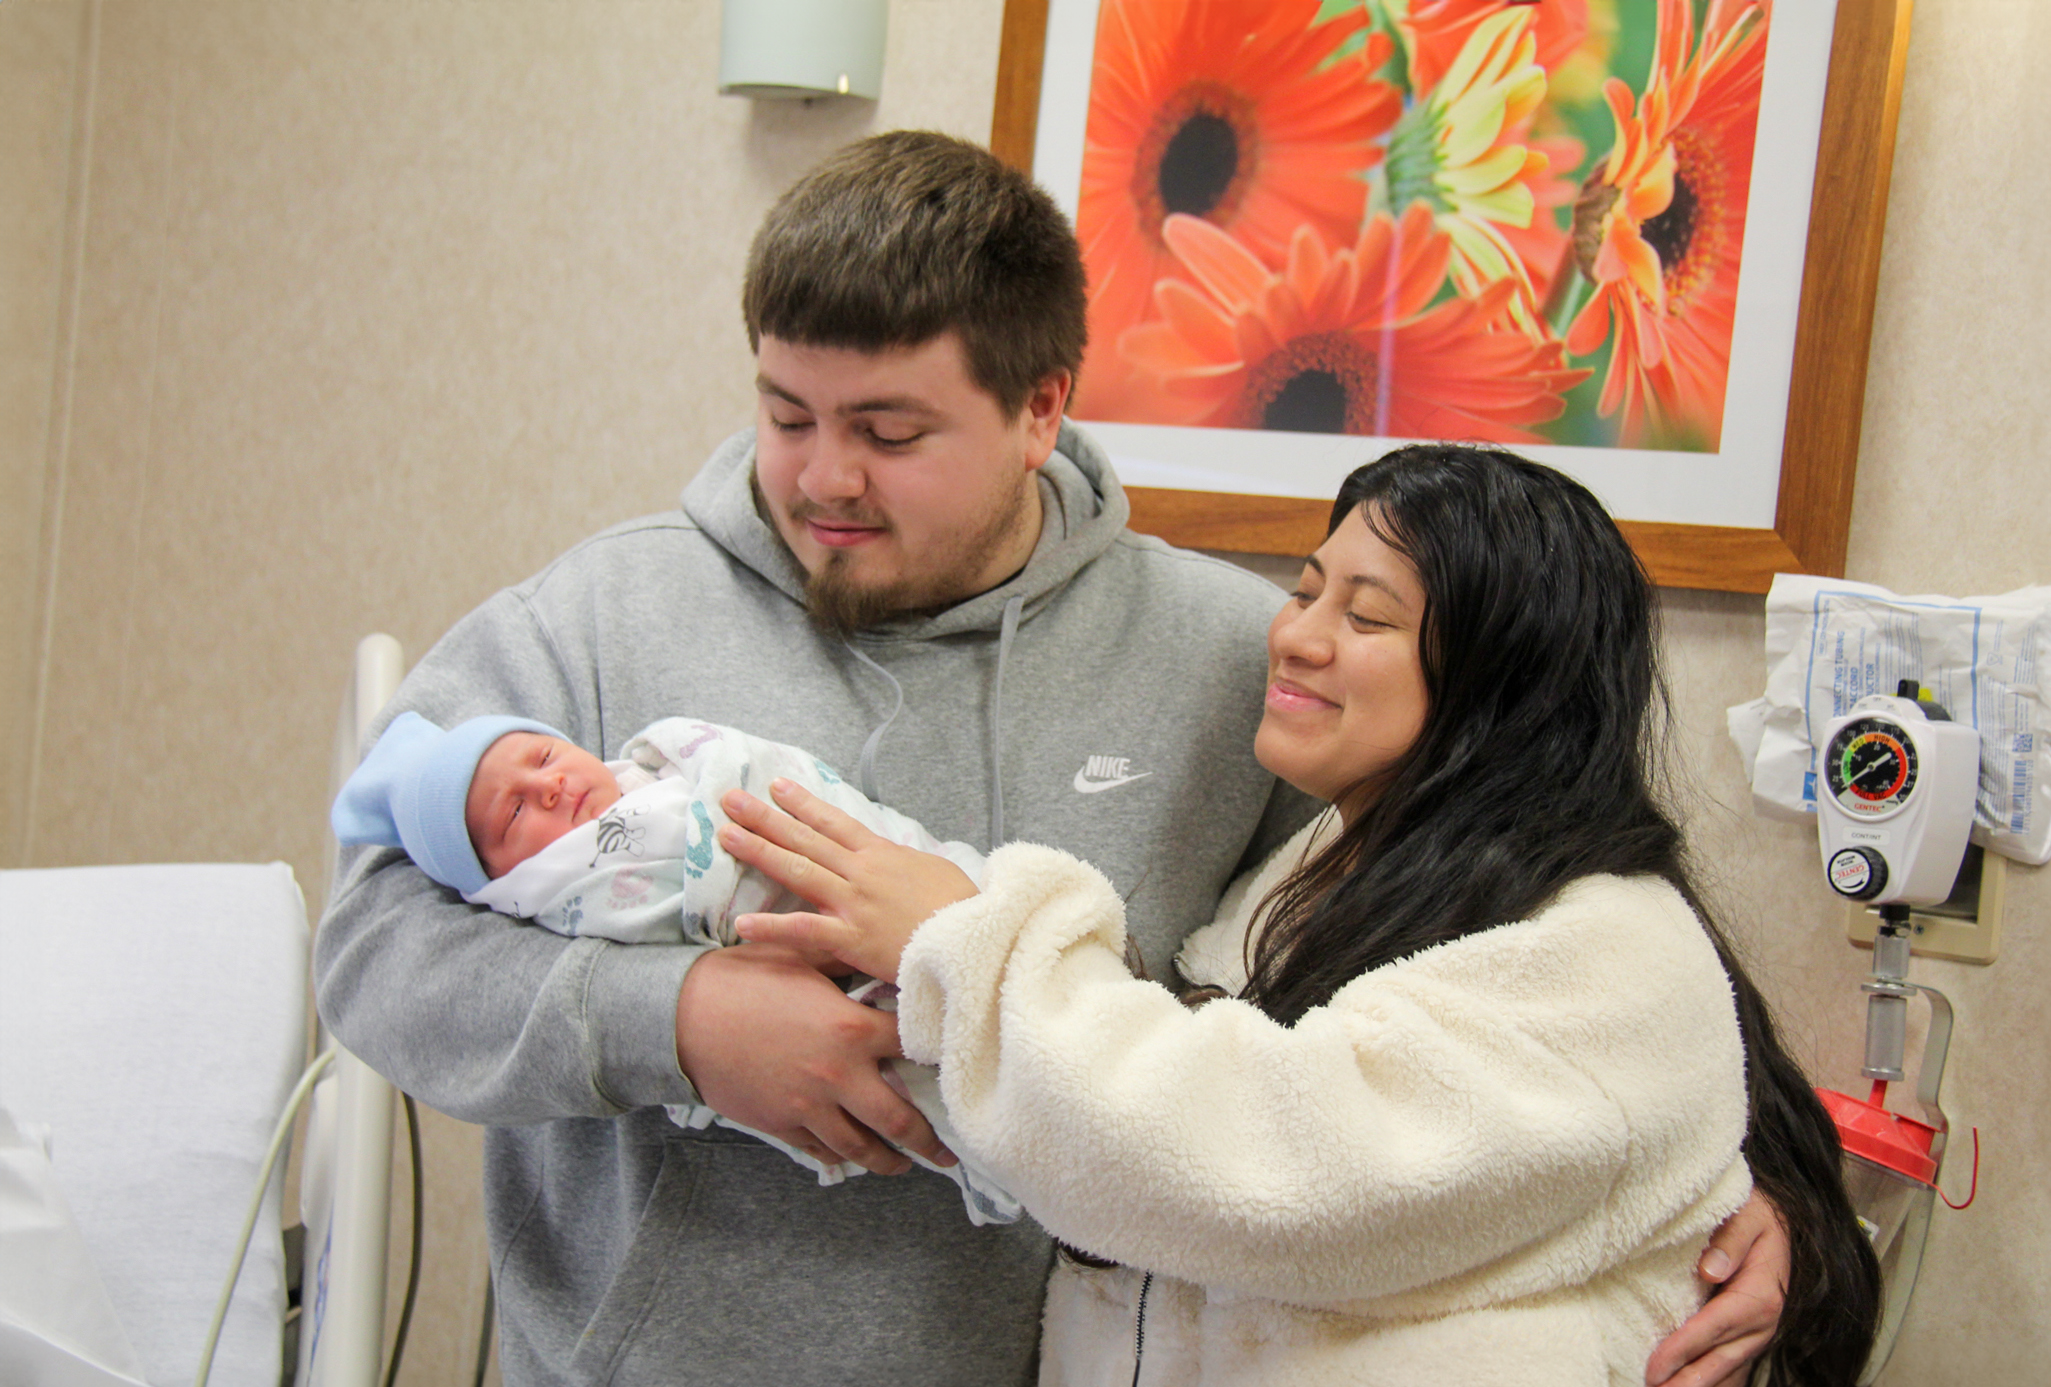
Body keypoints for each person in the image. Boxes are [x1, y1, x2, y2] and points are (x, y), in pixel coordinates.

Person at [314, 131, 1790, 1385]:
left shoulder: (1235, 656)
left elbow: (1521, 885)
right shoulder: (596, 616)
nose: (822, 476)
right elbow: (373, 948)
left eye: (888, 430)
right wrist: (676, 1015)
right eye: (784, 414)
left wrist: (1725, 1190)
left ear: (1039, 409)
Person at [723, 444, 1883, 1387]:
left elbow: (1254, 1157)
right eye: (1304, 590)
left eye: (1366, 616)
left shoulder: (1601, 944)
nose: (1294, 635)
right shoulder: (1322, 862)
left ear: (1501, 679)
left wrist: (968, 938)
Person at [327, 709, 1018, 1222]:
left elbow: (760, 782)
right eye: (512, 813)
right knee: (962, 1098)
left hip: (947, 909)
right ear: (495, 881)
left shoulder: (661, 773)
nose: (547, 787)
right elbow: (372, 958)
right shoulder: (563, 884)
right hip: (840, 1010)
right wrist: (678, 1014)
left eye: (543, 756)